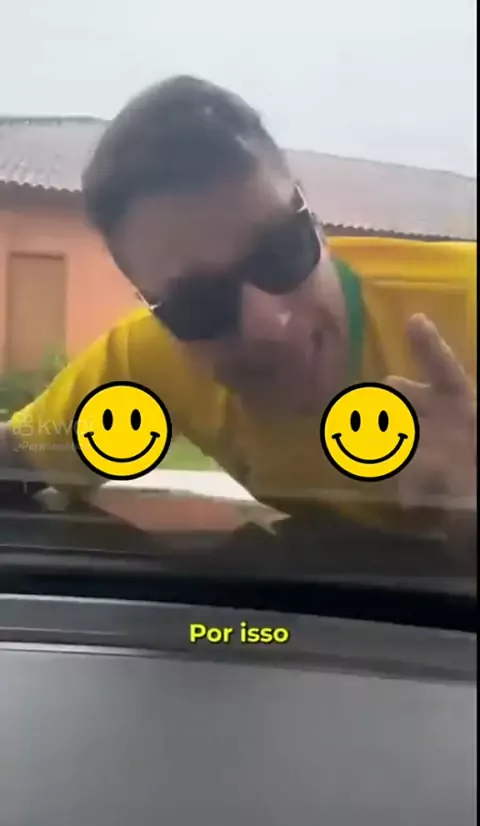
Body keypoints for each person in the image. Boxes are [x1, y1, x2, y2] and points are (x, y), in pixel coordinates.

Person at [0, 76, 476, 560]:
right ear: (153, 307)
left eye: (280, 251)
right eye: (200, 303)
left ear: (315, 224)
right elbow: (16, 459)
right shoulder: (148, 360)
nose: (273, 327)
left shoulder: (467, 303)